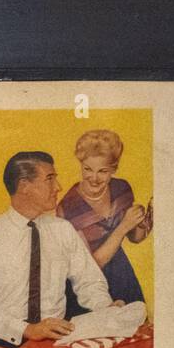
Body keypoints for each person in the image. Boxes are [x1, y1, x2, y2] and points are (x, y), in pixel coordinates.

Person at [0, 151, 115, 348]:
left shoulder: (63, 229)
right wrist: (28, 330)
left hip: (58, 343)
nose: (58, 187)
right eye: (50, 179)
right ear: (24, 186)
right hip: (2, 343)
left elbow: (90, 282)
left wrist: (106, 308)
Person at [55, 129, 149, 312]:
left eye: (103, 171)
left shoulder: (122, 188)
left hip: (123, 276)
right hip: (88, 288)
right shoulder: (67, 207)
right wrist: (123, 226)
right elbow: (89, 267)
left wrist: (142, 223)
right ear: (81, 165)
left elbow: (135, 237)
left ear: (113, 169)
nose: (94, 178)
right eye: (87, 169)